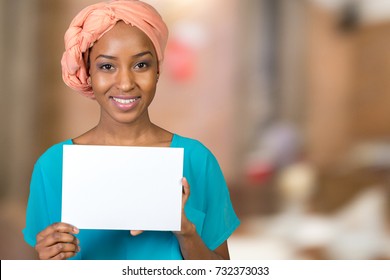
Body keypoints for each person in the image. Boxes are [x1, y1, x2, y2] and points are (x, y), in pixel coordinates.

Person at [23, 0, 240, 260]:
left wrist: (186, 233)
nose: (125, 83)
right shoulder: (52, 166)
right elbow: (34, 268)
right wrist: (45, 262)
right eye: (107, 66)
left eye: (141, 65)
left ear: (158, 69)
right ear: (88, 72)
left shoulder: (196, 160)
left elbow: (224, 273)